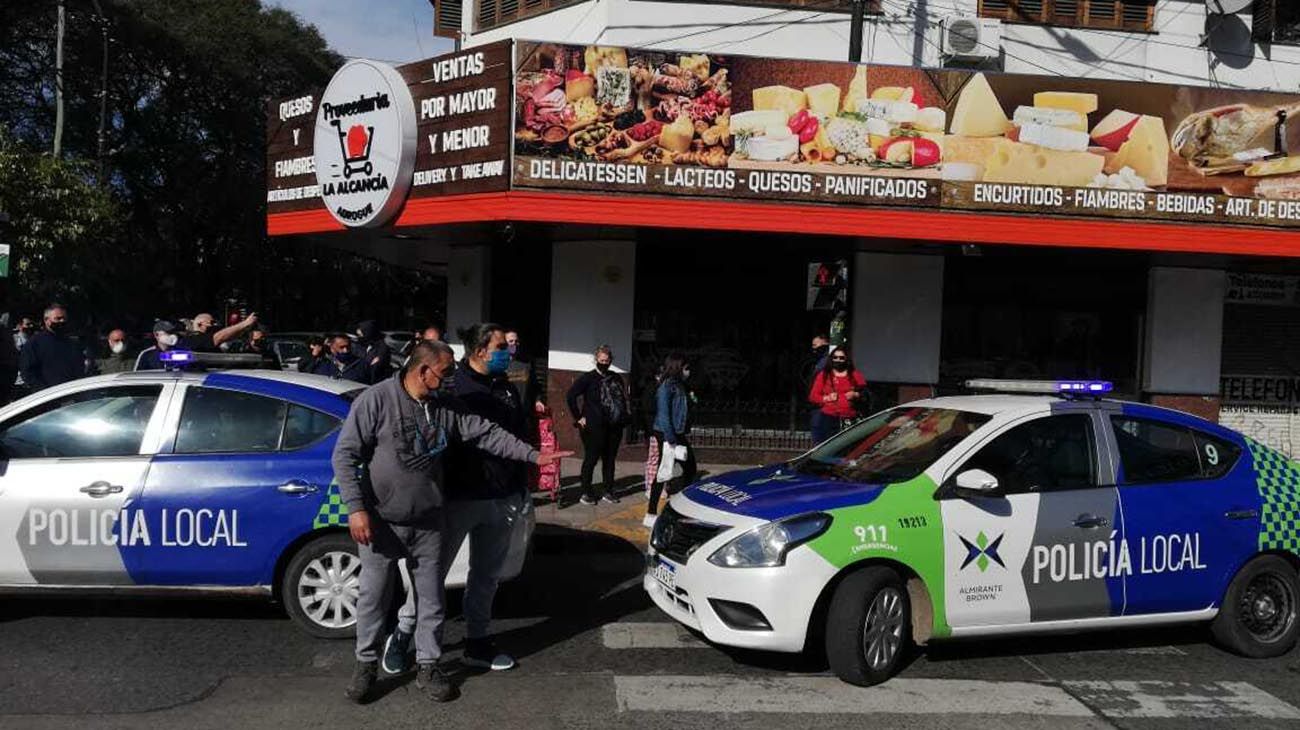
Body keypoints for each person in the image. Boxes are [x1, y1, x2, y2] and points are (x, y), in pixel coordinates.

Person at [332, 341, 567, 704]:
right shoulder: (376, 400)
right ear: (422, 370)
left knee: (431, 599)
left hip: (428, 522)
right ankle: (365, 667)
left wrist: (535, 455)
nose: (449, 380)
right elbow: (345, 456)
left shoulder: (445, 406)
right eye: (444, 373)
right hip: (380, 521)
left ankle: (429, 666)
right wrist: (356, 508)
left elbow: (486, 433)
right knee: (373, 598)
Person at [386, 323, 530, 676]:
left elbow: (515, 435)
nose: (506, 352)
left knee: (486, 576)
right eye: (500, 346)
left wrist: (522, 482)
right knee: (432, 575)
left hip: (502, 496)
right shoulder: (451, 386)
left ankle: (477, 642)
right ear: (480, 350)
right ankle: (404, 634)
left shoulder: (506, 387)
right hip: (458, 497)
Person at [565, 345, 630, 505]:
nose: (604, 363)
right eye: (601, 360)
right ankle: (586, 492)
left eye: (607, 361)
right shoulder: (588, 378)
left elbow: (622, 398)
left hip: (613, 427)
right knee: (591, 459)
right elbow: (571, 396)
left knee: (609, 460)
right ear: (596, 360)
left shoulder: (616, 377)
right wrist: (579, 418)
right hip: (593, 427)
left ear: (611, 361)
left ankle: (608, 490)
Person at [647, 353, 696, 526]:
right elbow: (664, 415)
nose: (688, 372)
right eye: (686, 368)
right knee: (664, 471)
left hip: (677, 432)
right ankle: (651, 513)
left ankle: (683, 506)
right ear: (677, 367)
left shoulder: (680, 385)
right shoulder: (666, 387)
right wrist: (670, 438)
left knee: (689, 468)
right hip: (667, 433)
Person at [18, 304, 86, 391]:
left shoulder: (71, 342)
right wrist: (44, 391)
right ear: (46, 320)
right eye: (58, 318)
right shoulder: (34, 344)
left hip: (74, 391)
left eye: (64, 318)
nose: (62, 321)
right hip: (49, 396)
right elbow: (28, 373)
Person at [808, 346, 867, 443]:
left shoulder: (854, 374)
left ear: (846, 359)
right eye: (835, 357)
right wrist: (826, 398)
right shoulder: (824, 375)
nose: (838, 360)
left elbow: (865, 393)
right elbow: (813, 396)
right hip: (828, 417)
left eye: (841, 358)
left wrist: (855, 394)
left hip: (849, 418)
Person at [183, 311, 258, 352]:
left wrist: (246, 328)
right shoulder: (192, 339)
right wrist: (244, 323)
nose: (215, 325)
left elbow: (228, 337)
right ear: (200, 324)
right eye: (211, 322)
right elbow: (218, 337)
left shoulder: (210, 340)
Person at [356, 320, 393, 384]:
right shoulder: (363, 345)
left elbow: (375, 368)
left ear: (368, 333)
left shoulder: (382, 348)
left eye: (361, 335)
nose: (359, 338)